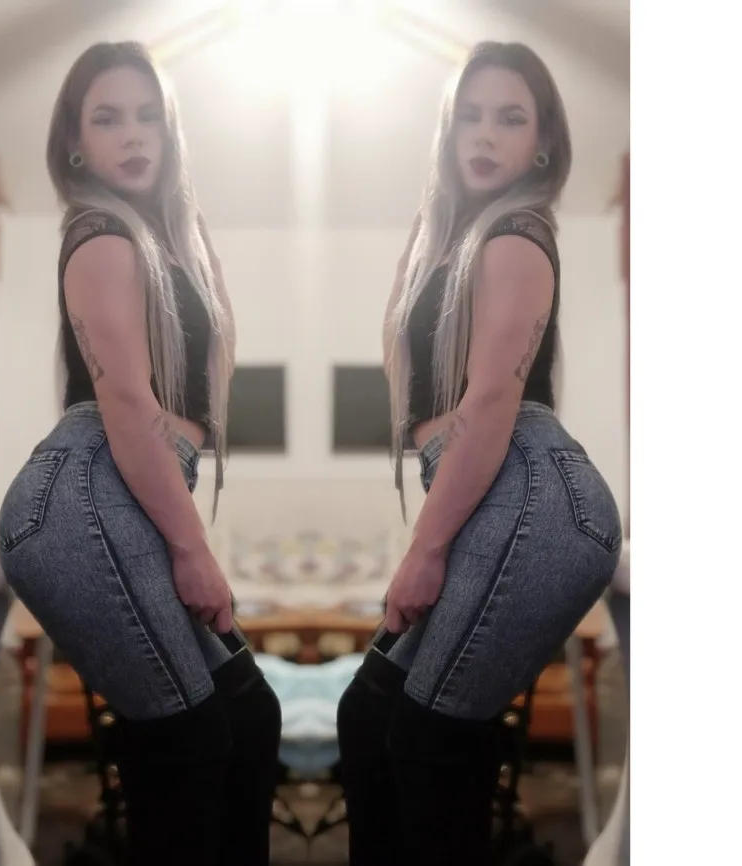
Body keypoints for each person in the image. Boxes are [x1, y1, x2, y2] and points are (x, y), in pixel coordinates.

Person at [0, 42, 281, 866]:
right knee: (189, 739)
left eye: (149, 117)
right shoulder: (101, 236)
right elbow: (126, 404)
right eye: (109, 118)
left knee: (249, 716)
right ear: (76, 142)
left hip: (119, 492)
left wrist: (187, 225)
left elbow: (210, 368)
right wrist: (192, 549)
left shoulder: (160, 239)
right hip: (82, 497)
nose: (133, 135)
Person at [337, 41, 623, 865]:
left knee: (428, 739)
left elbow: (491, 403)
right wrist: (431, 224)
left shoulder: (516, 237)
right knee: (368, 716)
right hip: (498, 492)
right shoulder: (458, 239)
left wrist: (425, 550)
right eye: (469, 117)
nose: (486, 135)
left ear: (542, 142)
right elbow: (405, 368)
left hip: (535, 496)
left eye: (509, 118)